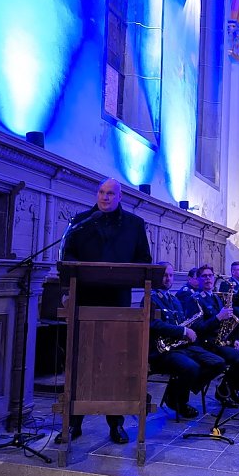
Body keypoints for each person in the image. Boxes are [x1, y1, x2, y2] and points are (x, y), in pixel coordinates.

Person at [57, 177, 153, 444]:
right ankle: (73, 422)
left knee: (116, 363)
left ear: (120, 196)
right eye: (101, 192)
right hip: (84, 299)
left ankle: (116, 424)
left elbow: (144, 260)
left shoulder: (135, 225)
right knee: (80, 360)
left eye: (110, 193)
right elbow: (68, 255)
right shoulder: (81, 221)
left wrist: (119, 272)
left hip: (117, 303)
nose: (105, 197)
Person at [147, 262, 226, 418]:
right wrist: (183, 330)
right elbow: (153, 324)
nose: (168, 278)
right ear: (156, 277)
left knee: (218, 362)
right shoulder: (151, 298)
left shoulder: (175, 300)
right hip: (162, 351)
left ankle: (175, 391)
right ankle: (180, 402)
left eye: (170, 275)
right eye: (164, 275)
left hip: (180, 346)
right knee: (191, 367)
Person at [185, 264, 239, 407]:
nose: (208, 279)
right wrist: (218, 317)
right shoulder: (195, 299)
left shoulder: (216, 298)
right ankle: (224, 389)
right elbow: (197, 328)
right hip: (208, 343)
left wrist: (234, 339)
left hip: (223, 341)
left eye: (210, 275)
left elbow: (228, 324)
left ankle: (234, 387)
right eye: (204, 276)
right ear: (198, 279)